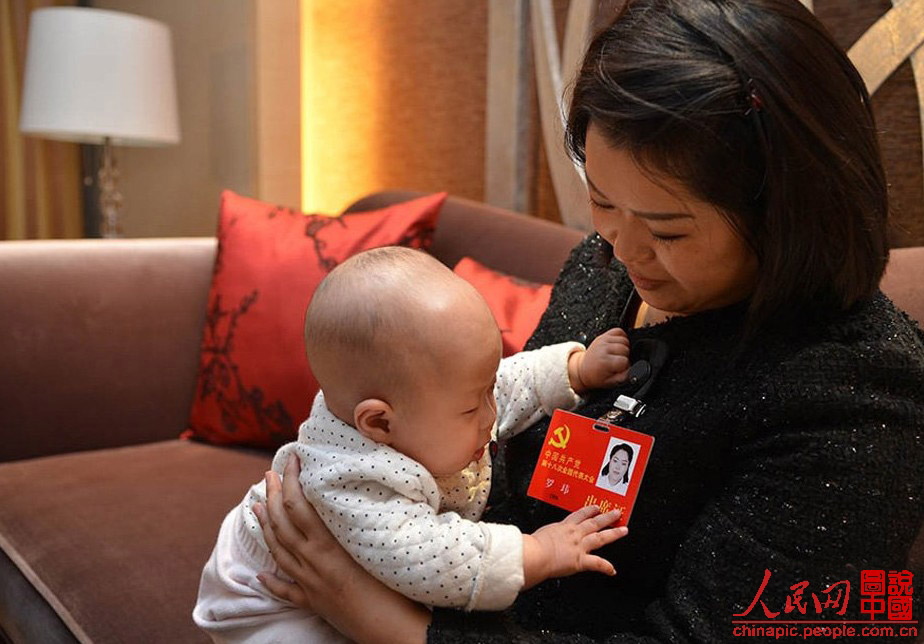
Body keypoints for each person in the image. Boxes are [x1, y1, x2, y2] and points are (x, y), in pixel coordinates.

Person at [253, 0, 924, 641]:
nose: (623, 249)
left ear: (789, 217)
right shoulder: (601, 273)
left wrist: (373, 615)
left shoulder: (854, 391)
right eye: (602, 202)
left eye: (669, 230)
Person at [193, 246, 635, 642]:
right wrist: (541, 551)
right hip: (267, 599)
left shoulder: (427, 405)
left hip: (352, 568)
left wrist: (573, 370)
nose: (491, 415)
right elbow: (434, 561)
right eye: (471, 410)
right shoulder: (353, 478)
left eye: (485, 393)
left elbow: (505, 383)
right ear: (380, 423)